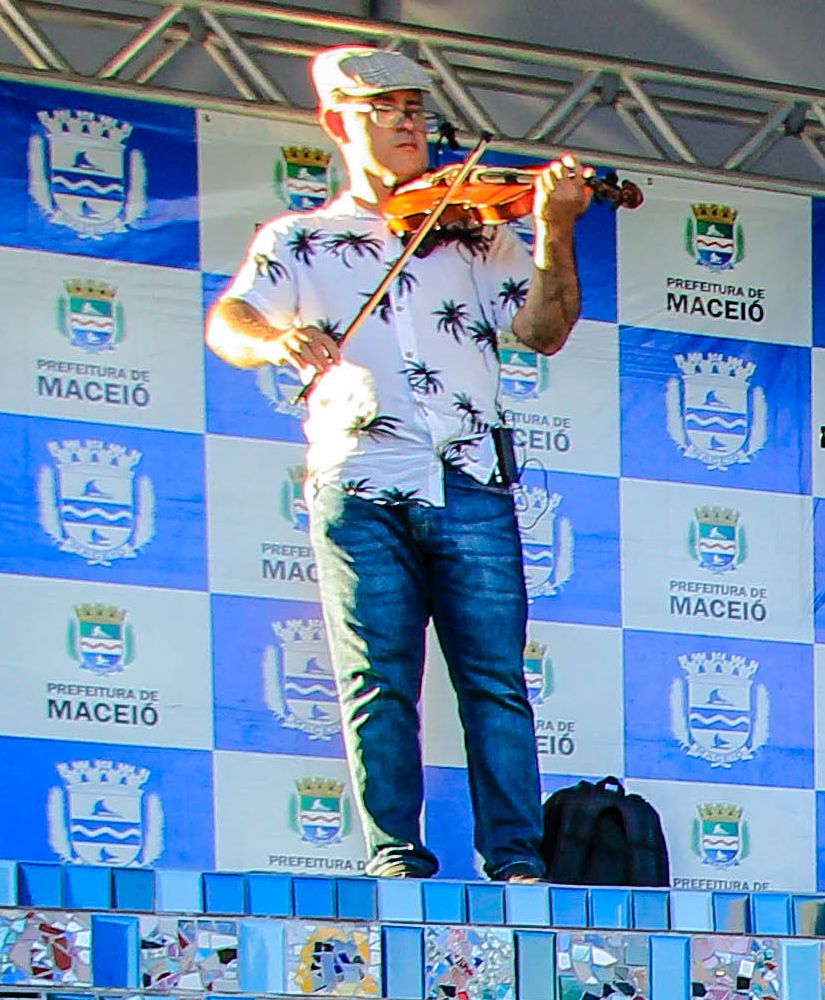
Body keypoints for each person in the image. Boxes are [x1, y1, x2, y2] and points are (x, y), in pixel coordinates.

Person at [202, 44, 591, 884]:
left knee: (496, 681)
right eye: (386, 109)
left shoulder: (475, 229)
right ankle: (394, 858)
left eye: (416, 109)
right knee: (376, 680)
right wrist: (277, 337)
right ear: (337, 121)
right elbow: (230, 322)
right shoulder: (300, 239)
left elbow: (543, 330)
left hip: (467, 476)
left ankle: (516, 861)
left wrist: (555, 228)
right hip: (359, 482)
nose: (409, 123)